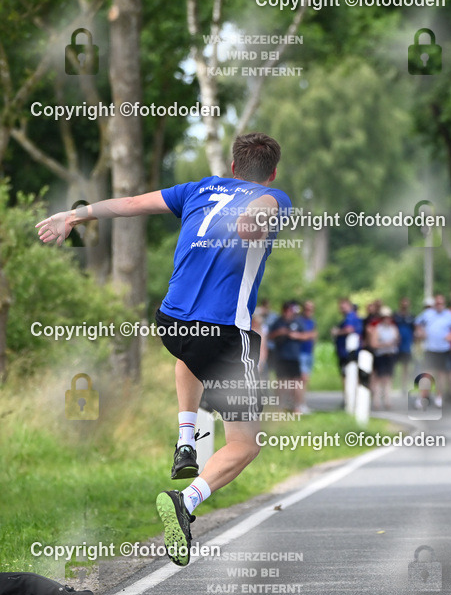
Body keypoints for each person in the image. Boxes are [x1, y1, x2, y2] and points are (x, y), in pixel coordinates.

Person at [37, 132, 290, 567]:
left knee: (190, 353)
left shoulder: (197, 189)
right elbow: (263, 209)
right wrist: (253, 218)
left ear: (231, 167)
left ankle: (186, 440)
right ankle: (185, 501)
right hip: (226, 333)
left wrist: (74, 216)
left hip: (171, 321)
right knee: (246, 444)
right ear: (270, 174)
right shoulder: (275, 197)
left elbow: (132, 204)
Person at [414, 294, 451, 407]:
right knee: (427, 374)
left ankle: (439, 397)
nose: (439, 305)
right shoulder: (428, 314)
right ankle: (423, 397)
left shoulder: (449, 315)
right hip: (430, 348)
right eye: (437, 303)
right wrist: (421, 332)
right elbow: (417, 323)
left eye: (441, 303)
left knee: (441, 375)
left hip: (443, 349)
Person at [268, 300, 305, 412]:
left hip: (294, 356)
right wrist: (280, 332)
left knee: (296, 383)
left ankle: (297, 406)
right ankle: (280, 406)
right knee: (281, 383)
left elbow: (307, 335)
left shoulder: (297, 322)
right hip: (281, 357)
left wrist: (296, 336)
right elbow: (269, 336)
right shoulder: (278, 322)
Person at [330, 298, 363, 398]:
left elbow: (349, 329)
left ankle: (349, 399)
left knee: (348, 375)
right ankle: (351, 398)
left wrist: (337, 332)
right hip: (345, 352)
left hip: (348, 352)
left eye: (344, 307)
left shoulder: (350, 317)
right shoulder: (350, 317)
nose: (342, 309)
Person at [369, 306, 400, 409]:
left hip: (390, 356)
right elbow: (373, 343)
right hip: (381, 356)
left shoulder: (393, 329)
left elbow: (397, 341)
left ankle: (387, 400)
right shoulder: (378, 329)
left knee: (388, 379)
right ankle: (376, 401)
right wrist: (385, 344)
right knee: (378, 379)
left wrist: (393, 343)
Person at [296, 300, 317, 414]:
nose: (309, 311)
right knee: (302, 379)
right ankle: (299, 405)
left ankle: (302, 404)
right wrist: (308, 335)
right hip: (301, 353)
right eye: (307, 308)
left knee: (305, 380)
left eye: (311, 309)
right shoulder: (299, 321)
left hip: (309, 353)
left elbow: (314, 336)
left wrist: (308, 336)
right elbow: (299, 336)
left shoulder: (312, 321)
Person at [394, 297, 416, 391]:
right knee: (392, 366)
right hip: (395, 345)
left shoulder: (411, 317)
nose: (405, 305)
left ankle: (404, 386)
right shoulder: (395, 316)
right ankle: (389, 385)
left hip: (407, 346)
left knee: (405, 367)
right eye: (403, 303)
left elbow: (415, 330)